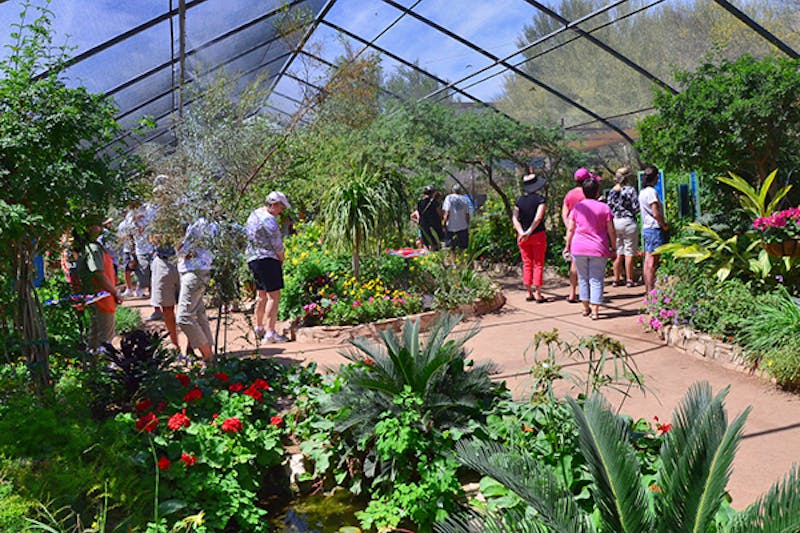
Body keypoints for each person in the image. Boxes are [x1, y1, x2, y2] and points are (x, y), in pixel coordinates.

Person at [565, 178, 616, 320]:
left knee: (583, 278)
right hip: (599, 247)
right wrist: (614, 246)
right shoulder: (605, 208)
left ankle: (585, 307)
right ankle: (595, 311)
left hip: (579, 247)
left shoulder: (577, 208)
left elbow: (571, 229)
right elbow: (611, 230)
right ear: (597, 191)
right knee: (596, 279)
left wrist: (567, 246)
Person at [245, 191, 291, 343]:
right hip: (268, 259)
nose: (281, 211)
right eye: (281, 207)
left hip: (253, 259)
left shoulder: (253, 215)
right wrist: (281, 258)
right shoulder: (269, 220)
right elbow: (277, 244)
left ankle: (259, 327)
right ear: (274, 204)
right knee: (274, 295)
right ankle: (270, 333)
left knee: (261, 294)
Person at [75, 218, 123, 350]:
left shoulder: (91, 246)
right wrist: (115, 292)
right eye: (97, 224)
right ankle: (105, 367)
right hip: (102, 297)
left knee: (95, 335)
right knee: (105, 337)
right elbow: (98, 273)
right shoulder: (93, 249)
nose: (101, 226)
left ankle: (94, 366)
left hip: (97, 296)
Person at [176, 216, 218, 366]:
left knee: (184, 317)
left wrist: (178, 249)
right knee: (199, 314)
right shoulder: (204, 222)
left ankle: (208, 357)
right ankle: (210, 356)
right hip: (197, 271)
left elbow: (184, 251)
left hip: (194, 271)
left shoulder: (199, 224)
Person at [561, 168, 598, 303]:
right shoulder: (588, 193)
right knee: (591, 264)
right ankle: (588, 294)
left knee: (574, 263)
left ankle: (572, 293)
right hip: (590, 232)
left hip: (574, 232)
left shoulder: (569, 195)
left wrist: (570, 227)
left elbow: (564, 214)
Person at [512, 172, 547, 302]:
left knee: (527, 263)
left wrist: (522, 232)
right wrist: (529, 231)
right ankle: (538, 293)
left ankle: (529, 292)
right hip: (537, 235)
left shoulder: (519, 201)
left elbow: (515, 218)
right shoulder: (540, 200)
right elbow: (538, 218)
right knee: (538, 263)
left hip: (522, 238)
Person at [607, 166, 640, 287]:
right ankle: (629, 279)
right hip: (628, 221)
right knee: (629, 251)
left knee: (618, 250)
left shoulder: (611, 191)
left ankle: (616, 278)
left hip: (616, 222)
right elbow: (636, 207)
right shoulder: (630, 190)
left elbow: (609, 208)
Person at [639, 164, 668, 294]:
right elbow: (655, 213)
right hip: (654, 229)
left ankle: (648, 290)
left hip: (647, 228)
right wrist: (664, 225)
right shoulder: (651, 192)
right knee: (652, 262)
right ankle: (651, 291)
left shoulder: (643, 192)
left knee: (647, 261)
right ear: (655, 177)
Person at [442, 184, 470, 251]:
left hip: (451, 227)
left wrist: (444, 224)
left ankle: (453, 261)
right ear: (460, 191)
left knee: (452, 248)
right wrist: (468, 225)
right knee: (463, 248)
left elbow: (447, 213)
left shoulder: (449, 198)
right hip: (463, 227)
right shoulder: (464, 199)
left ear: (452, 191)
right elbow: (467, 215)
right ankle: (462, 261)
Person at [416, 185, 445, 251]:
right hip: (433, 225)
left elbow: (419, 213)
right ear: (432, 193)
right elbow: (439, 213)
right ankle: (433, 255)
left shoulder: (420, 202)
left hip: (423, 225)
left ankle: (427, 256)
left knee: (426, 242)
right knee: (434, 243)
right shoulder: (434, 202)